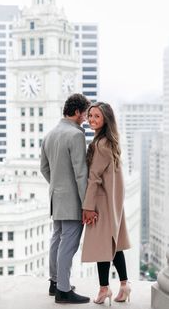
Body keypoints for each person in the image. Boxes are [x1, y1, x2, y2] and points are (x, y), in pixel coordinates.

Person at [40, 93, 92, 304]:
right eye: (85, 114)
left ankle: (54, 283)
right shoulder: (76, 135)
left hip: (56, 197)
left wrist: (58, 185)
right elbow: (81, 173)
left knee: (57, 240)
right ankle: (63, 289)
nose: (86, 119)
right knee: (68, 245)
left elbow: (44, 168)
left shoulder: (50, 134)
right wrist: (87, 203)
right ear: (78, 112)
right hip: (73, 201)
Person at [82, 102, 131, 306]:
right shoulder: (111, 141)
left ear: (105, 120)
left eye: (97, 117)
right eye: (90, 116)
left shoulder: (100, 145)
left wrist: (87, 207)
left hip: (101, 203)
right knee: (114, 245)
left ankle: (104, 289)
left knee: (102, 246)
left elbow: (94, 178)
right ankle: (124, 285)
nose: (92, 120)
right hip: (114, 203)